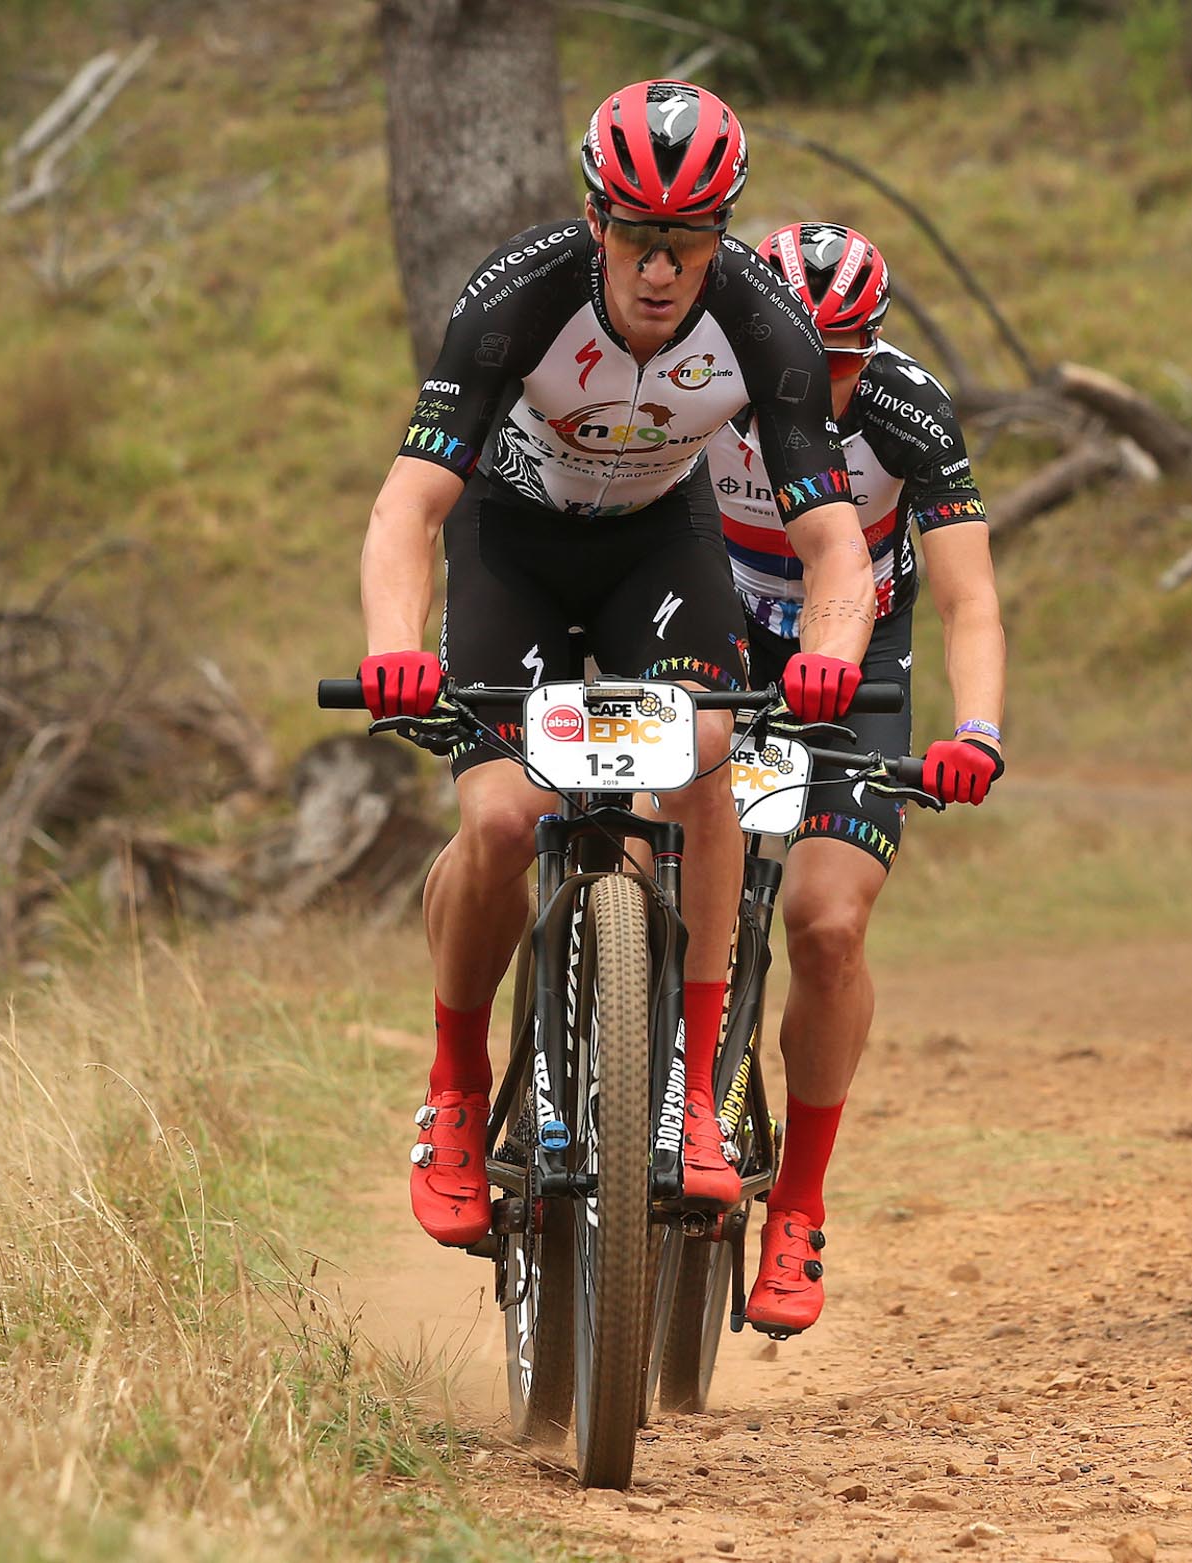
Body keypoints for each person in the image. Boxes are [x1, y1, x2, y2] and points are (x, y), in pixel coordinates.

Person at [356, 81, 879, 1247]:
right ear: (597, 220)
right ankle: (451, 1093)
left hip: (658, 545)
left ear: (719, 235)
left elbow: (834, 541)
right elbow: (407, 509)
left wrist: (833, 652)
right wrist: (395, 650)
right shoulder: (513, 302)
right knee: (498, 823)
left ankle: (691, 1095)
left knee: (701, 759)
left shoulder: (763, 324)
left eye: (687, 241)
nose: (660, 267)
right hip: (515, 543)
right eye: (638, 237)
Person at [700, 221, 1007, 1336]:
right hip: (717, 624)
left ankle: (799, 1208)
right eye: (800, 351)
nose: (821, 381)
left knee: (826, 924)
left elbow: (970, 593)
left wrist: (975, 729)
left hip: (862, 650)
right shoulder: (703, 377)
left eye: (846, 357)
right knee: (636, 837)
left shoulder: (907, 408)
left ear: (872, 348)